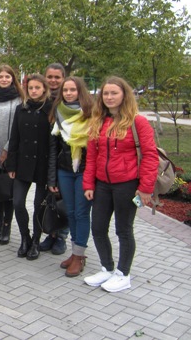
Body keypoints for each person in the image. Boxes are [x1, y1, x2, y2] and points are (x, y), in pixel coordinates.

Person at [82, 77, 158, 292]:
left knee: (123, 230)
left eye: (114, 93)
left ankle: (123, 274)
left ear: (124, 95)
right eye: (106, 93)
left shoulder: (137, 122)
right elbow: (92, 157)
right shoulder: (98, 121)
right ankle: (107, 268)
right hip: (102, 185)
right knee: (98, 228)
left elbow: (150, 156)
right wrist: (88, 184)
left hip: (127, 184)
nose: (109, 97)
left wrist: (145, 188)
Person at [47, 77, 93, 277]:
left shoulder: (90, 114)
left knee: (81, 213)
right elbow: (53, 149)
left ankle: (79, 256)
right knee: (71, 212)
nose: (68, 93)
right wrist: (51, 178)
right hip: (64, 171)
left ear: (80, 91)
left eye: (72, 90)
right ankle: (75, 253)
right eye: (65, 90)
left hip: (84, 170)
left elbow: (95, 150)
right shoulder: (58, 113)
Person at [5, 74, 52, 260]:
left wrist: (52, 173)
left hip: (42, 164)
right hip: (22, 163)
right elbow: (14, 138)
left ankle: (36, 241)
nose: (33, 91)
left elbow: (54, 142)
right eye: (30, 88)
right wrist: (11, 164)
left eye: (37, 88)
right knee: (17, 202)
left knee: (38, 205)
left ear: (44, 89)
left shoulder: (50, 109)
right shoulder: (21, 108)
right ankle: (25, 237)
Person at [0, 64, 24, 246]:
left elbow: (19, 127)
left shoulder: (19, 100)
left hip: (11, 152)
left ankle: (7, 226)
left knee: (8, 192)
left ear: (12, 79)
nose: (4, 79)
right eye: (0, 76)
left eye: (7, 77)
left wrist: (7, 150)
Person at [39, 63, 69, 255]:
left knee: (63, 199)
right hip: (44, 156)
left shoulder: (67, 100)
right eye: (50, 76)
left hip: (64, 157)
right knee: (48, 198)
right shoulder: (42, 98)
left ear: (63, 78)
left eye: (57, 77)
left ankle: (61, 236)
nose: (53, 80)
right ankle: (50, 232)